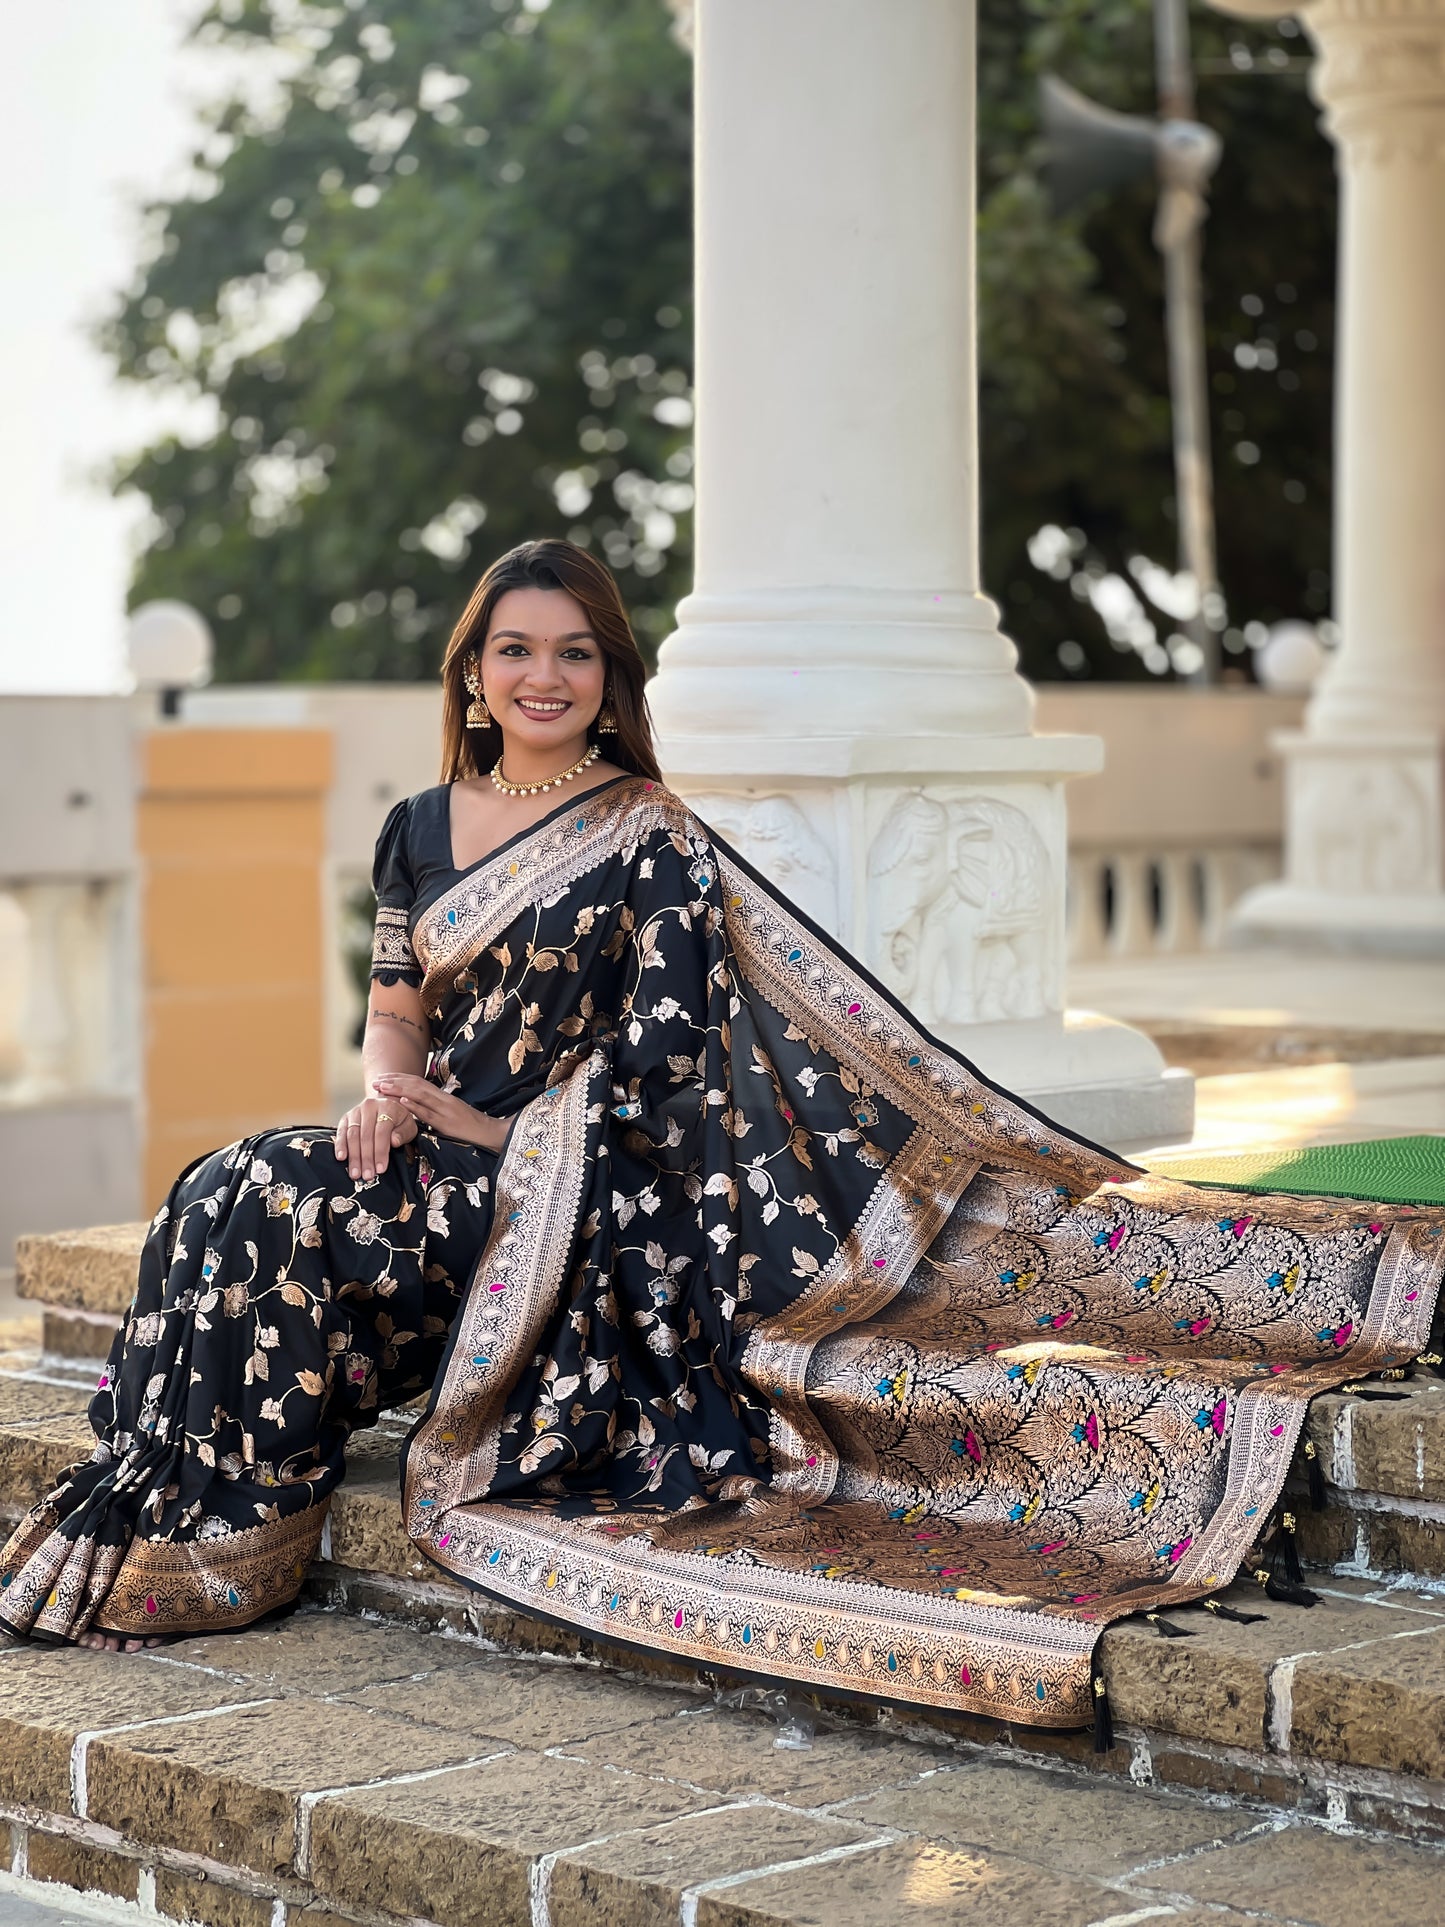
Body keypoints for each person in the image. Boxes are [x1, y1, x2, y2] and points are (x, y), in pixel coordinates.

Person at [3, 541, 1441, 1737]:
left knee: (262, 1195)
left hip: (555, 1202)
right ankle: (182, 1494)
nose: (543, 677)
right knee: (227, 1180)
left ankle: (219, 1533)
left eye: (574, 653)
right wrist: (385, 1091)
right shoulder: (415, 829)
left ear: (609, 679)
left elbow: (663, 1068)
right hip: (429, 1153)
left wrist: (497, 1130)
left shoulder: (652, 836)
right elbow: (393, 1004)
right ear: (473, 670)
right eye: (515, 650)